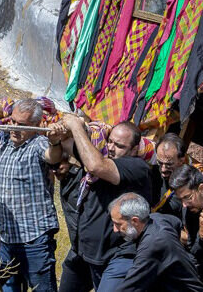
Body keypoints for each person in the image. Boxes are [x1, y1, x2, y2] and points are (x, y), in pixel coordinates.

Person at [60, 114, 153, 292]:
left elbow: (96, 166)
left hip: (116, 256)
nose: (111, 148)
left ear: (134, 150)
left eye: (119, 146)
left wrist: (76, 126)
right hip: (83, 252)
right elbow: (67, 145)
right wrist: (58, 135)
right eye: (109, 142)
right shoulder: (100, 157)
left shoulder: (136, 167)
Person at [0, 98, 66, 292]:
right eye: (12, 121)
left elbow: (52, 156)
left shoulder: (38, 144)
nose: (14, 128)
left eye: (21, 125)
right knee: (8, 288)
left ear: (36, 126)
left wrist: (55, 142)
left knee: (42, 289)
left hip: (34, 238)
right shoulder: (1, 141)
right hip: (6, 237)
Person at [109, 192, 203, 292]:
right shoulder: (157, 218)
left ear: (135, 221)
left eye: (118, 224)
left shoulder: (152, 245)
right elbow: (175, 222)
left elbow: (130, 287)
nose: (115, 230)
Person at [54, 150, 94, 292]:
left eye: (59, 166)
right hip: (77, 250)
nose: (55, 171)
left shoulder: (82, 177)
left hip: (96, 251)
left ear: (68, 161)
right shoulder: (63, 179)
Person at [151, 133, 186, 216]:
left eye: (169, 164)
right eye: (160, 163)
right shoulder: (153, 170)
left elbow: (173, 208)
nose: (163, 169)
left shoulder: (187, 180)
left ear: (181, 161)